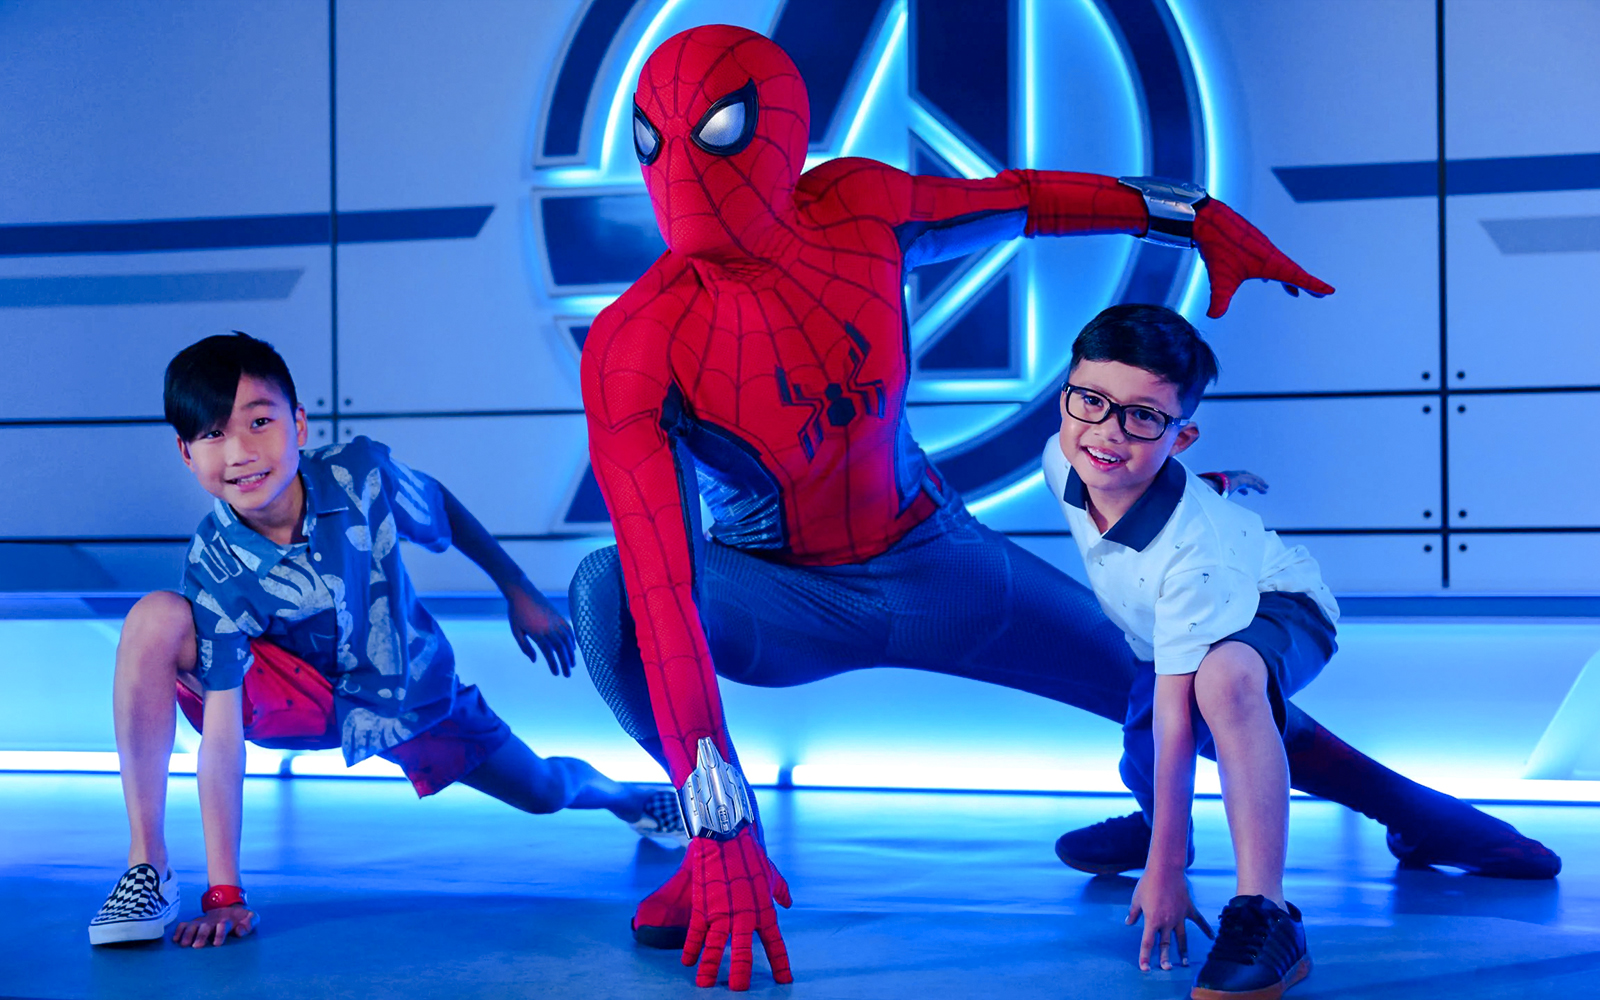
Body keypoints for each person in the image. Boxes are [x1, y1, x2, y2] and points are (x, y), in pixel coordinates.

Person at [568, 24, 1557, 993]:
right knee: (603, 589)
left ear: (780, 131)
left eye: (721, 130)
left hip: (936, 559)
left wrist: (1191, 213)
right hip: (779, 596)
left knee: (1173, 670)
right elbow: (660, 587)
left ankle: (1400, 808)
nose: (686, 173)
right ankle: (708, 858)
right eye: (655, 141)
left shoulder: (857, 209)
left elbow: (1025, 201)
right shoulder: (636, 339)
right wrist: (719, 826)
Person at [88, 332, 683, 948]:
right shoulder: (212, 561)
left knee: (543, 790)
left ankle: (629, 796)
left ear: (299, 423)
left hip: (410, 694)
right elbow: (221, 735)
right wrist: (225, 894)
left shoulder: (359, 473)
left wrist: (518, 588)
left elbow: (443, 511)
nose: (239, 451)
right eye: (212, 435)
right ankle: (146, 869)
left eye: (259, 421)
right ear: (186, 454)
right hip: (297, 702)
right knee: (155, 616)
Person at [1043, 304, 1333, 997]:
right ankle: (1154, 827)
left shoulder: (1196, 551)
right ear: (1068, 395)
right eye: (1091, 402)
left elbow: (1180, 719)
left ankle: (1268, 915)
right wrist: (1218, 485)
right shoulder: (1062, 458)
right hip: (1160, 625)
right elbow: (1148, 475)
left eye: (1143, 417)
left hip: (1280, 603)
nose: (1107, 433)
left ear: (1181, 436)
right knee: (1140, 749)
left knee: (1221, 683)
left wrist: (1165, 869)